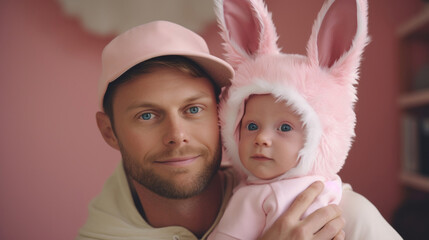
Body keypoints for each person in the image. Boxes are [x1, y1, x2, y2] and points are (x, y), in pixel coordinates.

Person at [76, 19, 398, 240]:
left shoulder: (329, 214)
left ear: (223, 113)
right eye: (147, 115)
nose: (177, 134)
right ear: (109, 131)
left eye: (193, 109)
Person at [208, 0, 403, 239]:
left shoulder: (342, 197)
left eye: (285, 127)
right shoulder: (249, 197)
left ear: (319, 138)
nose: (261, 138)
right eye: (251, 126)